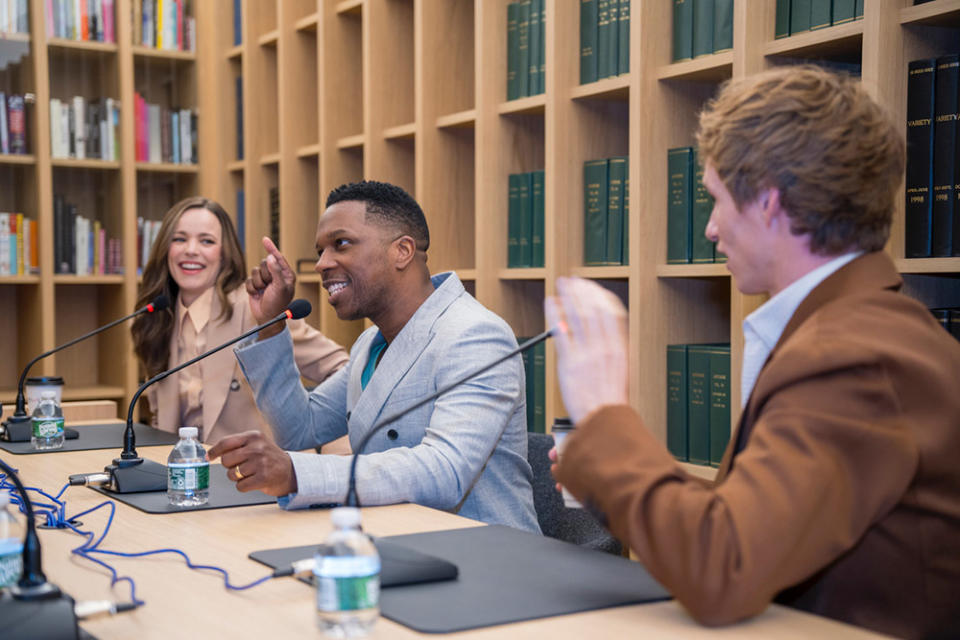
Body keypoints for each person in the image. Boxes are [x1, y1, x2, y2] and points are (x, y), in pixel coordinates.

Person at [547, 66, 960, 639]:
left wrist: (604, 414)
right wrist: (605, 471)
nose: (711, 229)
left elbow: (725, 568)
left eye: (716, 199)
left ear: (769, 201)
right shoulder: (863, 326)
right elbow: (748, 523)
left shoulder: (851, 356)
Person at [208, 180, 539, 533]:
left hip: (484, 556)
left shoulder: (475, 335)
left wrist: (296, 473)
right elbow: (299, 429)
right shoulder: (371, 343)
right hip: (395, 542)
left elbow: (445, 470)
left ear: (402, 251)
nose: (321, 264)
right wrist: (271, 325)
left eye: (341, 244)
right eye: (320, 251)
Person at [131, 196, 348, 445]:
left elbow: (342, 369)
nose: (191, 250)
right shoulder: (158, 317)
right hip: (182, 474)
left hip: (250, 477)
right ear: (164, 249)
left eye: (206, 241)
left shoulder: (253, 310)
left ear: (224, 254)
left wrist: (310, 427)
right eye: (179, 239)